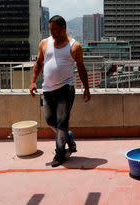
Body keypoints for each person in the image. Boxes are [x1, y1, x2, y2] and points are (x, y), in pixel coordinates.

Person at [30, 15, 91, 167]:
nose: (52, 33)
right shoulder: (44, 43)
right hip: (47, 90)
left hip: (66, 88)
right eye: (51, 30)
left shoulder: (74, 46)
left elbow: (81, 68)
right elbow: (38, 63)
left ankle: (60, 153)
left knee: (62, 122)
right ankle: (68, 137)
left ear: (63, 28)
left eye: (55, 30)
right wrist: (32, 82)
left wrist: (86, 88)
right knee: (50, 121)